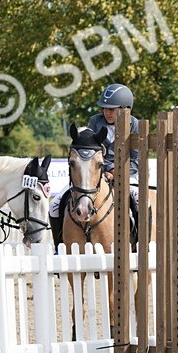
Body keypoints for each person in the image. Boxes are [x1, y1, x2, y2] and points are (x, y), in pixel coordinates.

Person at [49, 83, 142, 240]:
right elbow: (90, 152)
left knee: (139, 202)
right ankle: (59, 246)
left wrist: (120, 172)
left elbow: (136, 158)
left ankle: (139, 242)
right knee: (54, 205)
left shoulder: (135, 125)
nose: (107, 113)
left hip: (127, 173)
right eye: (104, 109)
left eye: (111, 109)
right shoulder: (95, 121)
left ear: (125, 109)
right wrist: (106, 169)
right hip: (95, 173)